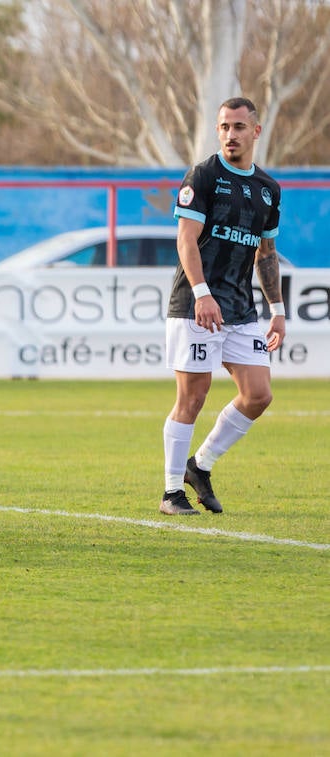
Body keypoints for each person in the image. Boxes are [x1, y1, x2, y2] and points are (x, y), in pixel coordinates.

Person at [159, 97, 285, 516]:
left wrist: (278, 310)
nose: (231, 135)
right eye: (224, 127)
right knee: (193, 396)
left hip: (241, 309)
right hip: (195, 305)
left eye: (238, 127)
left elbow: (265, 252)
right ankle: (171, 492)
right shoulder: (204, 175)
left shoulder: (268, 189)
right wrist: (201, 293)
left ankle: (201, 465)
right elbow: (185, 239)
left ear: (256, 131)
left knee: (259, 394)